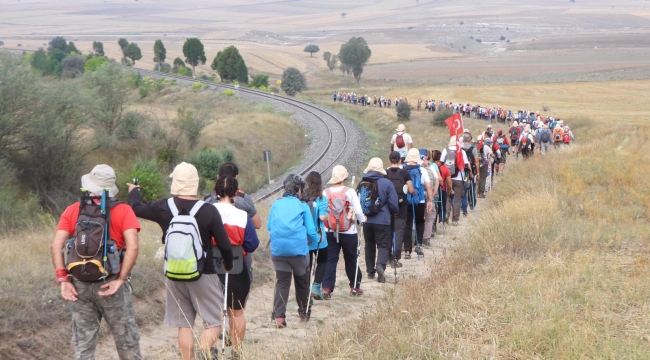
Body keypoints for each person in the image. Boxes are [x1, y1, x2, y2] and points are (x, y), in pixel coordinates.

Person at [128, 162, 233, 360]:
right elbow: (225, 246)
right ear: (195, 182)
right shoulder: (208, 211)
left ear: (175, 182)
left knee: (184, 324)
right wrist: (228, 265)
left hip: (174, 274)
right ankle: (204, 352)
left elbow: (135, 208)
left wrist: (134, 191)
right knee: (213, 323)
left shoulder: (163, 207)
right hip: (204, 273)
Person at [50, 164, 142, 360]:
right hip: (111, 284)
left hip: (79, 286)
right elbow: (133, 247)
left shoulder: (73, 210)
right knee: (127, 342)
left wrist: (63, 280)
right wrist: (121, 279)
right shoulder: (124, 210)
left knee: (83, 347)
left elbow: (55, 245)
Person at [213, 176, 260, 357]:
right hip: (236, 267)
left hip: (212, 268)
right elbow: (252, 244)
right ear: (235, 193)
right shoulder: (242, 216)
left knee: (212, 311)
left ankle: (209, 347)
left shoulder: (208, 211)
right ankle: (236, 351)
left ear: (216, 192)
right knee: (237, 312)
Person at [267, 174, 319, 327]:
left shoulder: (276, 204)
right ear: (298, 190)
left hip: (278, 250)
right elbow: (310, 231)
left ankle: (279, 317)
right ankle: (303, 314)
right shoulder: (302, 206)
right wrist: (318, 240)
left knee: (282, 282)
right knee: (302, 281)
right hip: (298, 251)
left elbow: (269, 226)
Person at [205, 161, 261, 283]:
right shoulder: (243, 199)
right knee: (242, 289)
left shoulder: (207, 201)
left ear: (217, 177)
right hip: (239, 257)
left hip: (213, 258)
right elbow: (257, 225)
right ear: (236, 178)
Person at [322, 165, 366, 297]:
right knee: (351, 258)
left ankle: (327, 288)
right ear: (344, 178)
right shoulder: (350, 192)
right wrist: (363, 219)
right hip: (349, 231)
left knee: (330, 259)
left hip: (330, 230)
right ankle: (354, 286)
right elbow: (358, 211)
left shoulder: (326, 192)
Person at [360, 158, 399, 283]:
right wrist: (394, 213)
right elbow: (393, 203)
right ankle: (380, 265)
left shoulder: (363, 182)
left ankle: (370, 271)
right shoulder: (387, 183)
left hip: (366, 219)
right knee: (383, 244)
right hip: (383, 220)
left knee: (369, 245)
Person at [301, 171, 329, 300]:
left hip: (305, 237)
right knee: (322, 261)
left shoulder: (302, 197)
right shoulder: (322, 198)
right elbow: (322, 216)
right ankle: (316, 286)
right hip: (319, 237)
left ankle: (305, 289)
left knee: (308, 263)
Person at [402, 148, 434, 258]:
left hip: (406, 201)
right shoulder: (422, 170)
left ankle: (407, 251)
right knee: (420, 222)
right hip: (419, 200)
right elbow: (428, 186)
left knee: (407, 224)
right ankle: (419, 245)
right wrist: (429, 200)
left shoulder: (403, 169)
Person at [386, 151, 413, 268]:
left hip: (387, 206)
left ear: (389, 160)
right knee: (399, 230)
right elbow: (411, 190)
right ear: (400, 160)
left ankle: (387, 256)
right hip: (401, 206)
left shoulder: (385, 173)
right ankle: (396, 257)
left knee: (388, 231)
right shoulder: (405, 173)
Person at [441, 137, 469, 225]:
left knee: (448, 198)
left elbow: (441, 163)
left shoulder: (445, 150)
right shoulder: (461, 152)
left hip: (448, 178)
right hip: (459, 178)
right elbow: (466, 167)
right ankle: (455, 219)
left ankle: (446, 215)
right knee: (457, 199)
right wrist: (466, 179)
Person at [420, 149, 440, 244]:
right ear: (427, 156)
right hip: (429, 195)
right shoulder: (432, 167)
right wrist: (432, 195)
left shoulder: (414, 167)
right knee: (430, 215)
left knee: (416, 217)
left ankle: (414, 237)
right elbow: (437, 181)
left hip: (417, 196)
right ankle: (426, 238)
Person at [432, 150, 452, 224]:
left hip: (432, 190)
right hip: (442, 189)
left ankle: (433, 224)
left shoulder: (430, 166)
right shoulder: (445, 168)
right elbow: (449, 181)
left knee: (434, 206)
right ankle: (441, 221)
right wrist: (451, 189)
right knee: (442, 206)